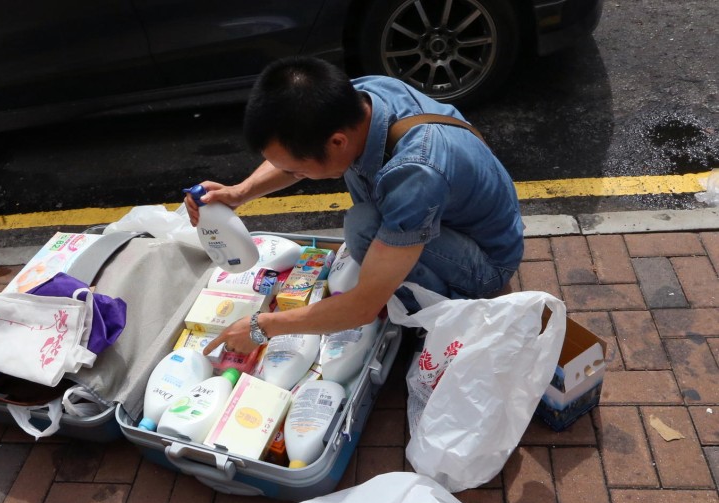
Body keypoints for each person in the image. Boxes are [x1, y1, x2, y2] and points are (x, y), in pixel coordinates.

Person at [187, 56, 524, 357]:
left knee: (363, 228)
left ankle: (440, 315)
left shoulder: (415, 173)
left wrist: (263, 327)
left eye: (295, 171)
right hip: (455, 217)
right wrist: (240, 192)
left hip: (487, 261)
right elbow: (290, 157)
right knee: (367, 228)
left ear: (337, 142)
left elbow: (364, 306)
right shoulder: (356, 100)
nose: (291, 175)